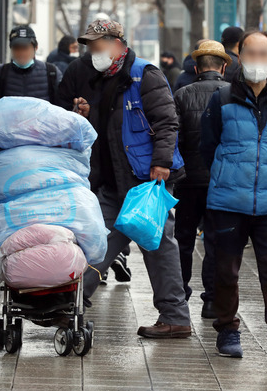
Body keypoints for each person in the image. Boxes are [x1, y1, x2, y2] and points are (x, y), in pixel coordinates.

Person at [56, 19, 192, 339]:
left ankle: (175, 317)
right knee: (95, 242)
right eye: (90, 46)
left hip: (145, 179)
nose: (94, 52)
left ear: (118, 43)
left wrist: (161, 164)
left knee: (157, 247)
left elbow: (167, 122)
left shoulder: (145, 74)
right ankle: (71, 305)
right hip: (113, 182)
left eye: (99, 45)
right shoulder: (102, 79)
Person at [200, 30, 267, 365]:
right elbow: (208, 146)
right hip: (228, 200)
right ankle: (227, 329)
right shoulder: (222, 98)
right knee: (226, 270)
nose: (257, 60)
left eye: (264, 54)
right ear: (239, 57)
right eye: (250, 54)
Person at [173, 40, 231, 318]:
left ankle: (180, 294)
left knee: (182, 238)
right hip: (222, 181)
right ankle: (212, 300)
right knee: (216, 241)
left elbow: (175, 138)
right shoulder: (234, 95)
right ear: (223, 67)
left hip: (188, 180)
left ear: (197, 68)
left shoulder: (182, 94)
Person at [0, 25, 61, 103]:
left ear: (36, 48)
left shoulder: (51, 73)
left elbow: (62, 108)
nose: (21, 53)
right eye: (16, 48)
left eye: (25, 48)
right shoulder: (0, 73)